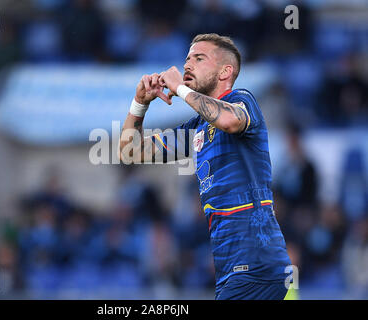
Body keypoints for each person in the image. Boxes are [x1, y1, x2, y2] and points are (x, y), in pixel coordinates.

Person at [119, 33, 292, 300]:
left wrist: (180, 89)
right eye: (187, 58)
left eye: (199, 59)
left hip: (256, 266)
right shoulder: (197, 129)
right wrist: (139, 103)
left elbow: (230, 121)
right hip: (233, 271)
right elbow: (130, 152)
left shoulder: (243, 100)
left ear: (226, 71)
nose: (188, 65)